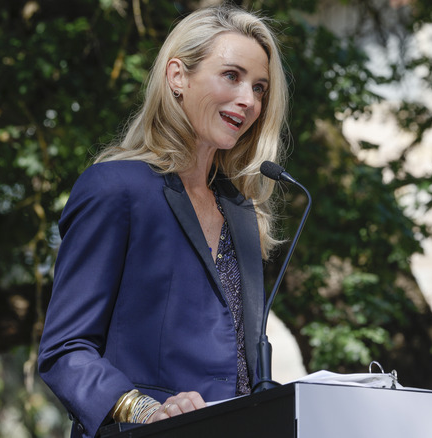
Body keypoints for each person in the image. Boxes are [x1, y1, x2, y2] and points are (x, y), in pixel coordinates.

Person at [37, 5, 289, 438]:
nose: (250, 101)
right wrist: (145, 410)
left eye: (260, 88)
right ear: (177, 76)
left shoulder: (243, 213)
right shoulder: (115, 188)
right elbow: (65, 350)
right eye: (232, 76)